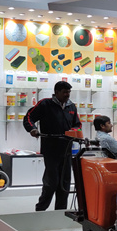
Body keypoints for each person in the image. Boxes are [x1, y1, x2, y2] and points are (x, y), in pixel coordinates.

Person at [23, 81, 81, 211]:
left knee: (65, 183)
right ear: (56, 92)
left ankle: (60, 212)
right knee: (52, 182)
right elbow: (29, 117)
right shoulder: (45, 104)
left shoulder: (71, 106)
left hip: (67, 149)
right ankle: (41, 210)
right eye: (64, 92)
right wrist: (32, 129)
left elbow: (77, 124)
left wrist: (74, 130)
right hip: (51, 149)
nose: (67, 95)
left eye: (69, 92)